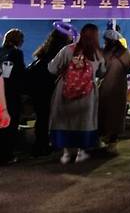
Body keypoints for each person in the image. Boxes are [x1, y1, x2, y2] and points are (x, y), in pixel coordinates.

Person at [48, 24, 107, 164]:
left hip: (65, 91)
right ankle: (81, 153)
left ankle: (66, 154)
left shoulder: (67, 50)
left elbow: (51, 68)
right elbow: (102, 72)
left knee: (65, 121)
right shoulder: (97, 53)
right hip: (87, 95)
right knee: (83, 122)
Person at [27, 29, 72, 156]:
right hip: (48, 87)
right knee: (47, 117)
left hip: (37, 87)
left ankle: (40, 145)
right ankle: (44, 145)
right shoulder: (61, 50)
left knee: (42, 117)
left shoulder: (46, 49)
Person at [98, 29, 130, 154]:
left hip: (104, 89)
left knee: (103, 114)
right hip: (120, 88)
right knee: (117, 115)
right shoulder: (127, 54)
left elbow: (98, 71)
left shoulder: (103, 53)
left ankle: (103, 138)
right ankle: (113, 143)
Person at [0, 29, 26, 165]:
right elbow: (21, 75)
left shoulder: (0, 52)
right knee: (10, 126)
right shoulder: (16, 53)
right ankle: (6, 156)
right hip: (11, 95)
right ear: (18, 40)